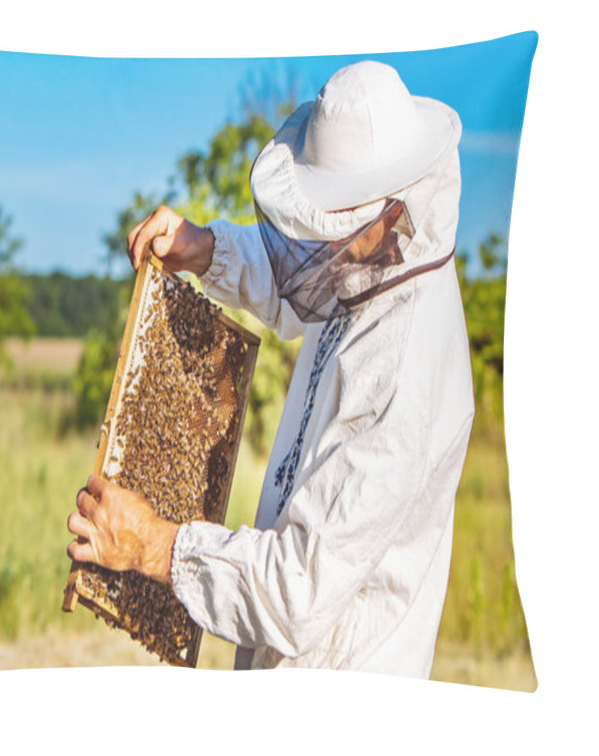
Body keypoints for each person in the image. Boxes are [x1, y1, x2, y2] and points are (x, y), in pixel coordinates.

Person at [66, 60, 475, 676]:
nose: (312, 249)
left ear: (386, 212)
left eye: (329, 229)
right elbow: (304, 277)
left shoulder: (400, 375)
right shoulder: (372, 261)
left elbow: (297, 590)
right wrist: (208, 250)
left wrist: (155, 545)